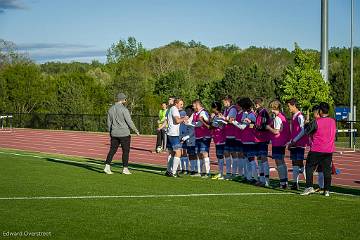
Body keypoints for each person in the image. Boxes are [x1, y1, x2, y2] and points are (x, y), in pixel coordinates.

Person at [301, 102, 336, 197]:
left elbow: (307, 131)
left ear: (320, 111)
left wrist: (306, 124)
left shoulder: (316, 121)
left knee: (309, 167)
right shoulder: (333, 121)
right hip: (328, 150)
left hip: (317, 149)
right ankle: (327, 190)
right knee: (326, 170)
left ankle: (309, 187)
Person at [104, 93, 140, 175]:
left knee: (112, 150)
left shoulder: (111, 109)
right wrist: (135, 130)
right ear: (123, 99)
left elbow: (109, 123)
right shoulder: (124, 109)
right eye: (125, 99)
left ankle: (107, 166)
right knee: (125, 151)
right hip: (124, 133)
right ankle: (125, 168)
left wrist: (110, 132)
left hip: (114, 133)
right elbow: (129, 121)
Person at [266, 100, 291, 189]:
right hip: (282, 142)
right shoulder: (282, 116)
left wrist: (268, 127)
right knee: (282, 162)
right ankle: (285, 181)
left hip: (278, 142)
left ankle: (282, 182)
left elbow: (276, 131)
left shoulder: (277, 118)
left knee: (279, 162)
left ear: (274, 108)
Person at [287, 98, 309, 190]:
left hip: (299, 143)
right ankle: (295, 183)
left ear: (293, 105)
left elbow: (303, 130)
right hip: (294, 142)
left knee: (299, 162)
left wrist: (294, 140)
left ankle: (308, 183)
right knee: (294, 162)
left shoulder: (300, 116)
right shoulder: (294, 116)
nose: (288, 108)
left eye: (289, 106)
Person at [165, 98, 188, 177]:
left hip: (170, 133)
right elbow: (177, 121)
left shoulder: (171, 109)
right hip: (173, 134)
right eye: (181, 104)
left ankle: (168, 171)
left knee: (172, 153)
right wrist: (184, 118)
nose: (182, 106)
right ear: (176, 104)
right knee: (178, 153)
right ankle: (174, 172)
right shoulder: (174, 109)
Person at [237, 97, 258, 184]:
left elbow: (243, 127)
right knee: (246, 159)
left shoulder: (251, 115)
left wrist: (233, 122)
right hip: (245, 139)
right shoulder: (245, 114)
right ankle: (248, 177)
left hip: (250, 139)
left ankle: (256, 178)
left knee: (251, 159)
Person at [254, 97, 271, 187]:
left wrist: (256, 126)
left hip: (263, 139)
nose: (255, 105)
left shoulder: (264, 113)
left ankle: (267, 181)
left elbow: (264, 126)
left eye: (256, 103)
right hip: (258, 139)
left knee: (263, 158)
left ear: (260, 104)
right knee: (259, 159)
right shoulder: (259, 113)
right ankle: (261, 179)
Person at [192, 99, 212, 178]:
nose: (193, 107)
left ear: (197, 105)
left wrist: (190, 123)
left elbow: (200, 124)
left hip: (205, 136)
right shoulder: (195, 113)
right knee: (198, 154)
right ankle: (199, 171)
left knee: (204, 153)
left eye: (194, 105)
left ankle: (207, 172)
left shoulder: (203, 112)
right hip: (198, 136)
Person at [222, 95, 238, 179]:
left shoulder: (233, 109)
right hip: (227, 133)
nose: (223, 103)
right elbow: (225, 120)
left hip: (232, 134)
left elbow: (231, 120)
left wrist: (223, 118)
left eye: (224, 102)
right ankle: (228, 172)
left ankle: (234, 173)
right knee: (226, 152)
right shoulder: (226, 109)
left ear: (228, 101)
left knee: (233, 153)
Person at [210, 101, 227, 180]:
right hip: (217, 138)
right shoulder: (216, 116)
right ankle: (220, 173)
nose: (212, 109)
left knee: (220, 155)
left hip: (221, 138)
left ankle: (221, 173)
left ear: (216, 108)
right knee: (219, 155)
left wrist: (213, 121)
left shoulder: (220, 116)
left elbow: (221, 125)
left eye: (213, 107)